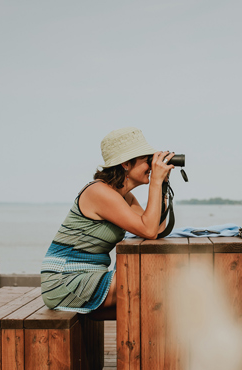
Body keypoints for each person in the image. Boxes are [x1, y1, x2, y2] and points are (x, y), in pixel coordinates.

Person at [41, 126, 175, 314]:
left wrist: (163, 186)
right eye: (148, 161)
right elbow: (148, 230)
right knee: (148, 282)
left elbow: (156, 228)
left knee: (154, 281)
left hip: (90, 276)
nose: (151, 167)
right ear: (126, 164)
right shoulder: (99, 192)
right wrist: (155, 182)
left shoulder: (124, 197)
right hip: (64, 281)